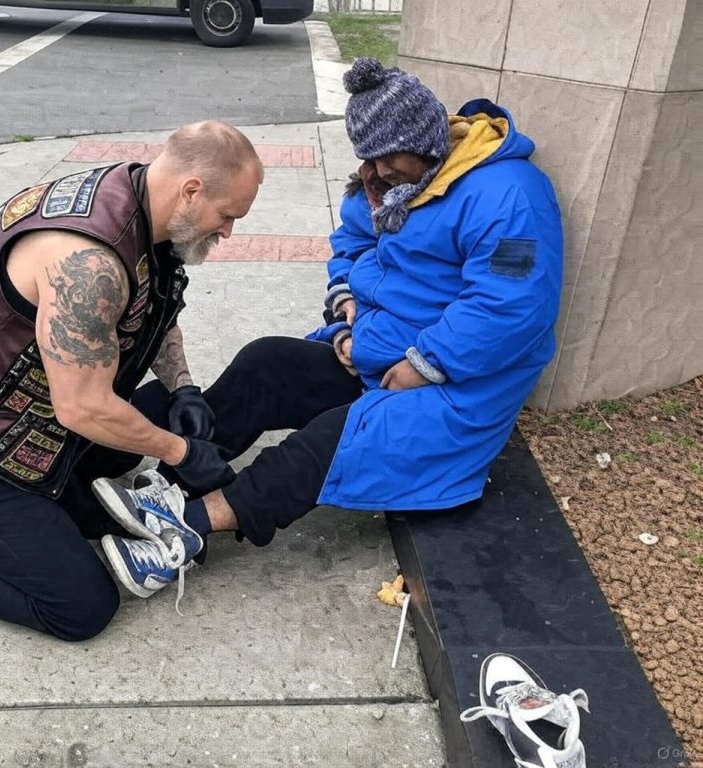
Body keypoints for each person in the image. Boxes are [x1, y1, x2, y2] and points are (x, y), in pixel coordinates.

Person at [92, 58, 564, 602]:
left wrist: (425, 365)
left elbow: (510, 308)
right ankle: (176, 481)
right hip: (373, 354)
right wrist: (343, 309)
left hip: (453, 383)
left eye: (389, 161)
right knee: (266, 362)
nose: (377, 173)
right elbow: (352, 244)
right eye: (370, 160)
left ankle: (187, 530)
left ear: (426, 142)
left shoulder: (510, 196)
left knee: (333, 443)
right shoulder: (386, 177)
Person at [0, 121, 263, 640]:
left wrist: (182, 387)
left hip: (38, 416)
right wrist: (179, 452)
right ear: (191, 190)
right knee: (81, 606)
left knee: (133, 447)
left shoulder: (143, 203)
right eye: (228, 216)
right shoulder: (89, 262)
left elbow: (155, 308)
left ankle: (63, 498)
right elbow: (82, 408)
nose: (227, 232)